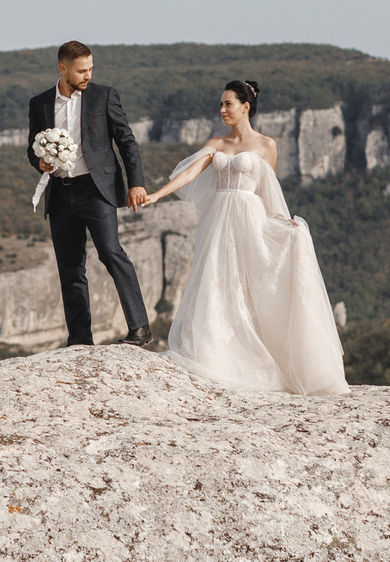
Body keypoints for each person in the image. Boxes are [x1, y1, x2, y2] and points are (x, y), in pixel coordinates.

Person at [138, 79, 349, 396]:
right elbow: (189, 174)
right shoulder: (217, 143)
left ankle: (271, 358)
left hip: (249, 220)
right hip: (218, 220)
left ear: (245, 107)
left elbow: (268, 191)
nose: (222, 109)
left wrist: (283, 225)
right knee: (215, 280)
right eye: (221, 104)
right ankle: (214, 356)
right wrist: (158, 194)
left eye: (228, 104)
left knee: (250, 287)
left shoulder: (267, 145)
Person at [26, 41, 154, 348]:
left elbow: (127, 141)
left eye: (91, 69)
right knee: (70, 268)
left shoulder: (104, 96)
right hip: (60, 194)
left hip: (96, 190)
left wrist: (136, 182)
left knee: (111, 253)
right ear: (63, 68)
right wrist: (39, 161)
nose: (88, 75)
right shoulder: (40, 103)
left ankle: (140, 328)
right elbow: (31, 147)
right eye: (82, 70)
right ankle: (80, 340)